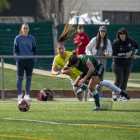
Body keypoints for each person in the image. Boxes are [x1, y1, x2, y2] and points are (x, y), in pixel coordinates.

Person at [62, 50, 130, 110]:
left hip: (97, 68)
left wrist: (84, 79)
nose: (73, 67)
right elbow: (63, 70)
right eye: (72, 65)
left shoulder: (84, 59)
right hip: (87, 70)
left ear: (78, 61)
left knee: (91, 86)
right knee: (76, 84)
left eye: (74, 65)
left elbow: (92, 69)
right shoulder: (71, 62)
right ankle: (84, 87)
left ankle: (98, 106)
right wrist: (64, 72)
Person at [51, 22, 85, 101]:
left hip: (80, 73)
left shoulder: (70, 54)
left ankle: (87, 90)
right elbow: (52, 70)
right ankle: (83, 96)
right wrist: (56, 72)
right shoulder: (56, 58)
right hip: (73, 77)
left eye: (62, 48)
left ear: (64, 49)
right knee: (78, 96)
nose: (61, 50)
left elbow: (79, 59)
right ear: (57, 51)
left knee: (88, 87)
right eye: (59, 49)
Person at [85, 26, 112, 101]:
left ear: (106, 33)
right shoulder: (94, 39)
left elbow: (110, 51)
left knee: (101, 78)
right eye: (101, 31)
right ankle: (91, 96)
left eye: (104, 31)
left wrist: (108, 54)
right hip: (94, 60)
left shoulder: (108, 41)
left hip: (103, 60)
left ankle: (99, 95)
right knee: (92, 77)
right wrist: (90, 54)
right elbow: (87, 48)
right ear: (99, 32)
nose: (102, 33)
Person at [112, 28, 138, 101]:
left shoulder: (130, 41)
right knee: (119, 79)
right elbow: (114, 54)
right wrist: (125, 54)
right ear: (119, 35)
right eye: (121, 34)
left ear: (126, 34)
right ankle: (114, 92)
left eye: (124, 33)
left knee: (125, 80)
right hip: (117, 64)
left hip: (128, 64)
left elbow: (136, 45)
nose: (122, 35)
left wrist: (135, 54)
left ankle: (122, 96)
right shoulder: (116, 42)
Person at [13, 23, 37, 101]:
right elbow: (15, 50)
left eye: (27, 28)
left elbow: (34, 50)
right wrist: (18, 59)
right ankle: (19, 95)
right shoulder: (18, 38)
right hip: (21, 61)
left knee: (28, 78)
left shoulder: (32, 38)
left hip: (30, 61)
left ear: (28, 29)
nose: (25, 30)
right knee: (19, 78)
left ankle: (27, 95)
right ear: (21, 29)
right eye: (24, 28)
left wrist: (34, 59)